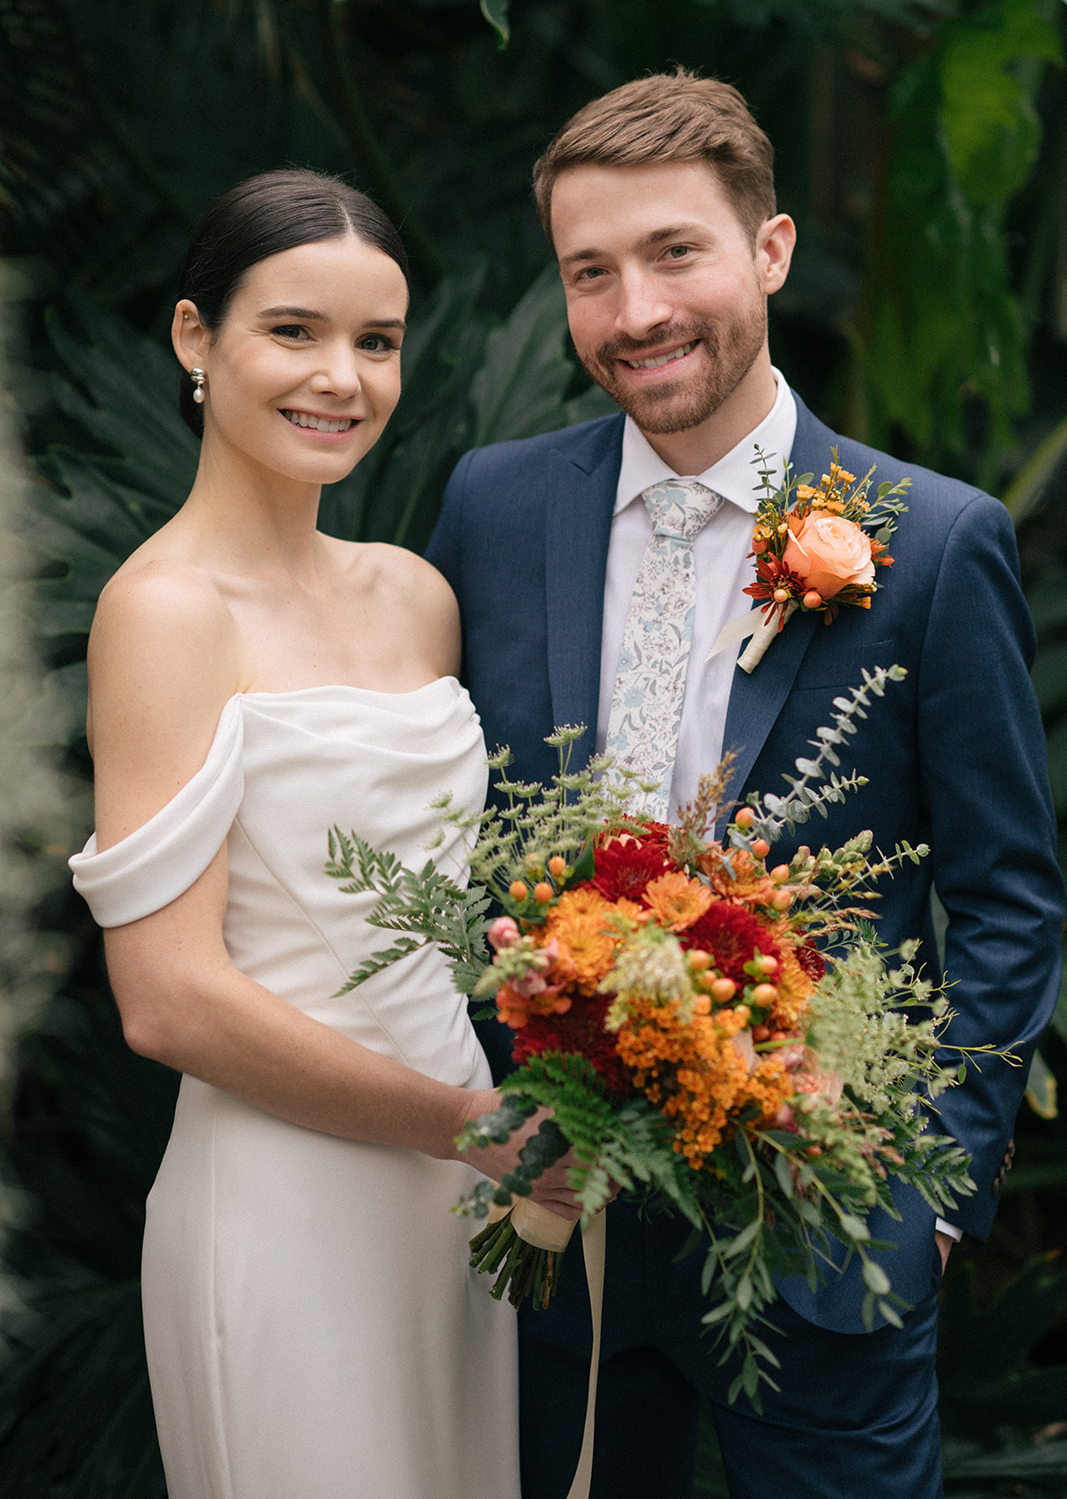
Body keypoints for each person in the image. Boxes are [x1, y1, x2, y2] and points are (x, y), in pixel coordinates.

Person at [427, 73, 1065, 1499]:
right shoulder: (493, 504)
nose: (634, 310)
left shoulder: (934, 544)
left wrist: (929, 1194)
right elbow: (450, 829)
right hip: (555, 1217)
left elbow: (1010, 899)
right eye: (590, 273)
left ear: (768, 253)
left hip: (825, 1226)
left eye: (674, 254)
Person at [68, 168, 578, 1499]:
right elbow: (169, 1001)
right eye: (293, 331)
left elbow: (448, 891)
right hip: (289, 1190)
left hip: (461, 1200)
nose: (340, 378)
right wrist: (462, 1123)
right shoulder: (167, 612)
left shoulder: (416, 597)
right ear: (197, 338)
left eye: (376, 341)